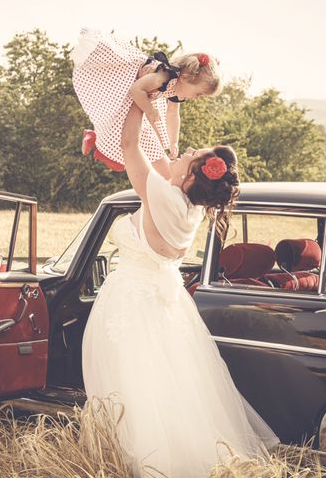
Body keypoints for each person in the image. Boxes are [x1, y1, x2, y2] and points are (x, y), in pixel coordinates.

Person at [81, 102, 280, 477]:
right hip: (163, 303)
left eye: (193, 156)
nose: (185, 151)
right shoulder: (189, 206)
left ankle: (147, 466)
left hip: (131, 302)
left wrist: (136, 95)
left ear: (191, 178)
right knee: (171, 385)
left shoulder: (163, 197)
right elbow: (169, 149)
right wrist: (167, 105)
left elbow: (128, 146)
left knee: (134, 388)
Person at [72, 28, 221, 171]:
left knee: (140, 144)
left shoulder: (177, 91)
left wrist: (173, 142)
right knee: (125, 132)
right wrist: (150, 111)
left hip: (141, 100)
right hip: (127, 85)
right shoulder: (162, 77)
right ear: (185, 78)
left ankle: (95, 140)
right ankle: (96, 139)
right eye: (199, 94)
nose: (197, 98)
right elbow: (136, 89)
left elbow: (173, 114)